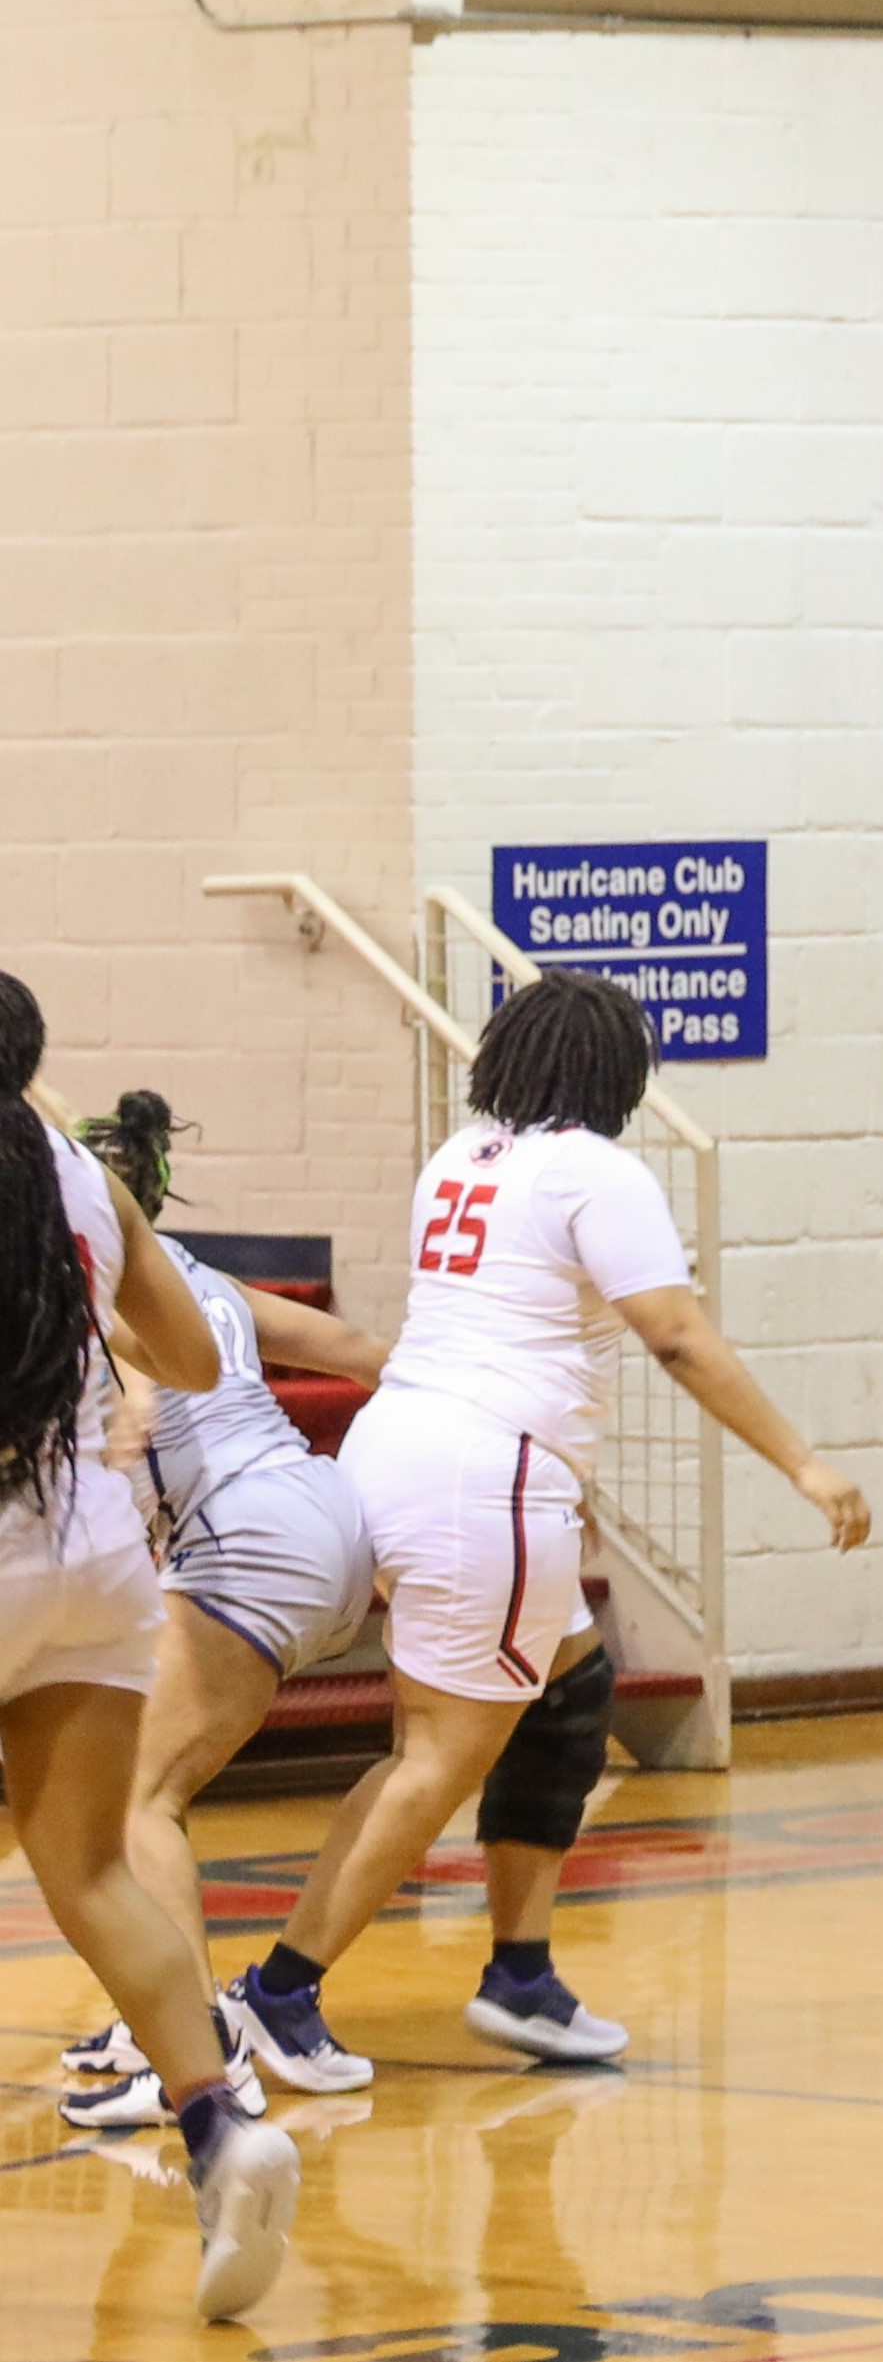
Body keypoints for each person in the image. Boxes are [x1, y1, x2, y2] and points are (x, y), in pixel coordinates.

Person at [221, 973, 871, 2095]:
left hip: (399, 1447)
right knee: (434, 1760)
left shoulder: (458, 1157)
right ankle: (279, 1992)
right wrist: (802, 1462)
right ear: (616, 1076)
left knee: (569, 1692)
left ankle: (521, 1971)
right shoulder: (599, 1172)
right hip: (488, 1479)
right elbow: (675, 1337)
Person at [54, 1095, 637, 2123]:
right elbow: (371, 1353)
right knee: (149, 1787)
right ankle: (160, 2017)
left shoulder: (80, 1294)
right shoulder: (202, 1279)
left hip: (251, 1537)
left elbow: (130, 1404)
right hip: (333, 1510)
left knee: (140, 1800)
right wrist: (522, 1446)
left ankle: (198, 2054)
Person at [0, 976, 303, 2317]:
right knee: (87, 1866)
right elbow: (185, 1351)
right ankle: (223, 2126)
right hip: (95, 1553)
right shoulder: (73, 1170)